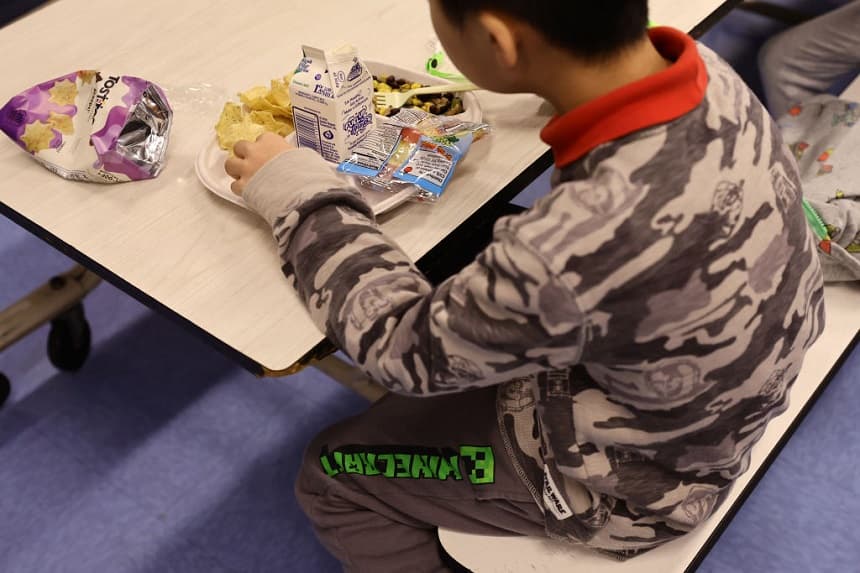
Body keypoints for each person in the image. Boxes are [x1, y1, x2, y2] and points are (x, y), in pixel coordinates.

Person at [225, 1, 826, 570]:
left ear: (497, 41)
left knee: (330, 474)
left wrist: (303, 196)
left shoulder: (564, 249)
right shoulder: (710, 74)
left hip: (635, 493)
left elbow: (397, 350)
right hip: (712, 413)